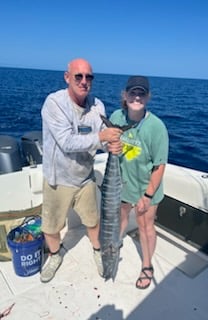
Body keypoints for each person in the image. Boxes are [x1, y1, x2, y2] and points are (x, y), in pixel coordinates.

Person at [40, 58, 122, 283]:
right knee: (52, 224)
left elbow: (102, 140)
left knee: (93, 221)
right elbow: (66, 141)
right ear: (67, 77)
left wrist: (112, 144)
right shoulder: (54, 103)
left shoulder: (97, 106)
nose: (84, 81)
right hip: (58, 178)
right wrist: (101, 137)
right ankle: (55, 256)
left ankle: (99, 251)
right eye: (79, 76)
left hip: (85, 177)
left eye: (89, 77)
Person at [110, 75, 169, 289]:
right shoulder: (116, 115)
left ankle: (147, 266)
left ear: (148, 97)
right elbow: (111, 142)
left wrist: (147, 195)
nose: (137, 96)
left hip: (146, 187)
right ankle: (114, 247)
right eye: (132, 92)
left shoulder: (156, 127)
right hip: (121, 184)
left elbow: (159, 166)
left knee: (145, 227)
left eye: (141, 93)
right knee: (121, 218)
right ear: (125, 95)